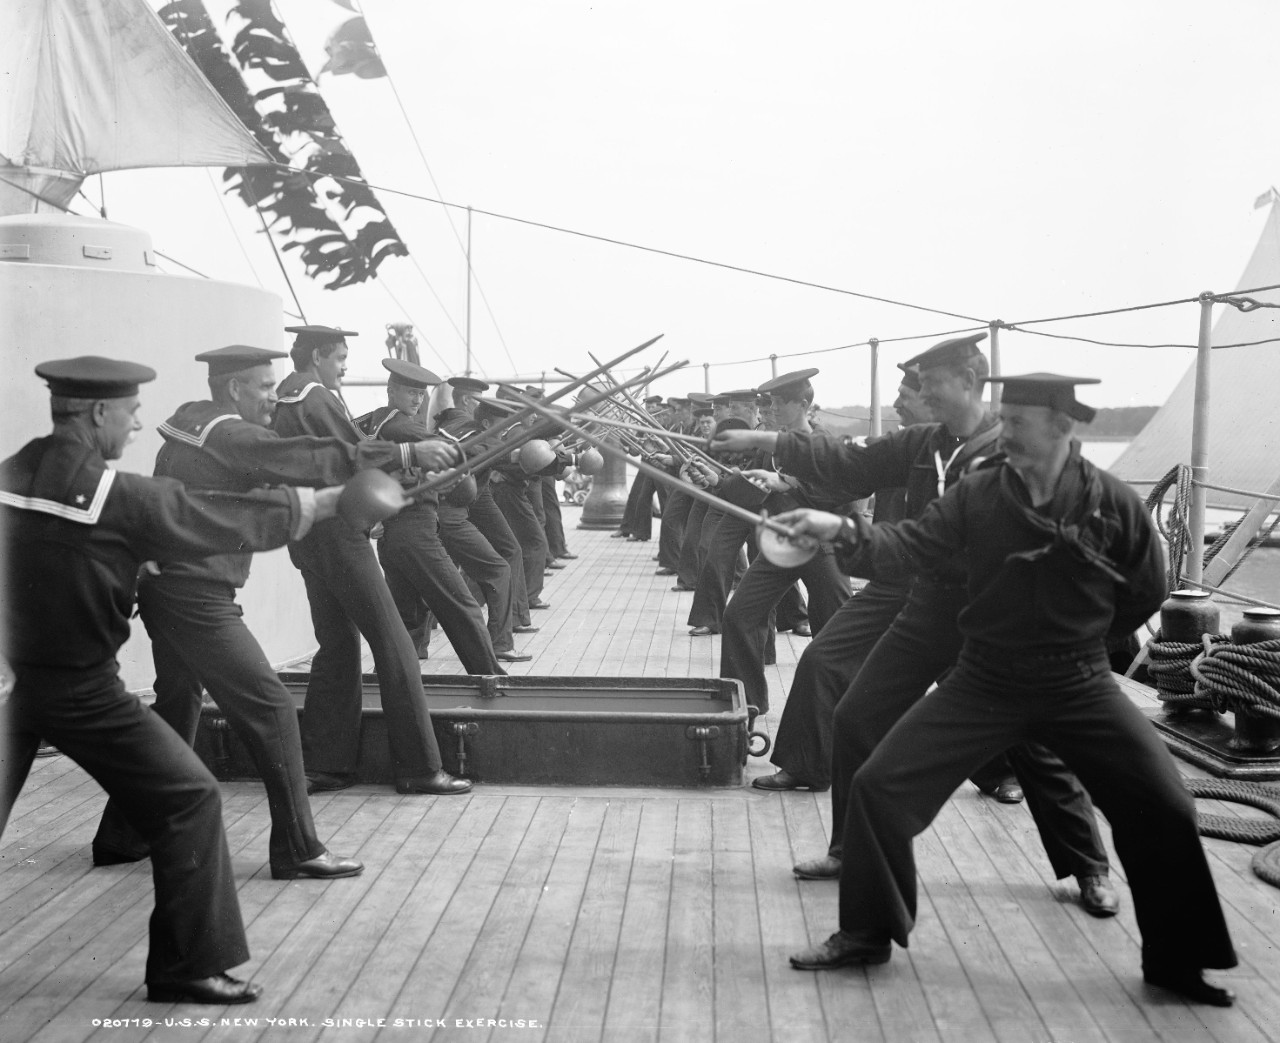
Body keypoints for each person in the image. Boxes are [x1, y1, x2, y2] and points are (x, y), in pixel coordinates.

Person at [780, 373, 1238, 1007]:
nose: (1007, 433)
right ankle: (866, 932)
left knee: (1166, 806)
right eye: (1005, 419)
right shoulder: (980, 495)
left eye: (1017, 422)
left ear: (1062, 427)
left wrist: (1079, 639)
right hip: (985, 680)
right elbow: (910, 543)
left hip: (1077, 683)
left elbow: (1146, 593)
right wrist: (840, 531)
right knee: (880, 788)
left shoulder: (1112, 503)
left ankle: (1178, 962)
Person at [713, 335, 1116, 917]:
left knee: (1032, 736)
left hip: (988, 612)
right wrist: (762, 438)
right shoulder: (925, 442)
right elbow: (849, 464)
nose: (920, 394)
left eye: (929, 384)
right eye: (919, 384)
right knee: (851, 705)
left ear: (968, 383)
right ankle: (847, 848)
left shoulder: (1009, 449)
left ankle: (1090, 868)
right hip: (921, 596)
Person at [1, 356, 348, 1004]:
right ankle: (185, 966)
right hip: (87, 691)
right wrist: (315, 503)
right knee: (191, 798)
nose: (136, 426)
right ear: (100, 413)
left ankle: (126, 843)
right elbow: (212, 517)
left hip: (22, 690)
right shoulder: (118, 497)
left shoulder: (10, 478)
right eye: (130, 413)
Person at [94, 343, 464, 877]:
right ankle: (297, 848)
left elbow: (284, 471)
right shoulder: (230, 433)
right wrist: (405, 455)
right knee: (270, 711)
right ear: (234, 389)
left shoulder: (191, 423)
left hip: (164, 587)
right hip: (196, 594)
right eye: (264, 388)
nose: (274, 396)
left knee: (177, 707)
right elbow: (303, 457)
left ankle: (121, 837)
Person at [270, 325, 471, 795]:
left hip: (310, 536)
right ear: (318, 355)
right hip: (340, 535)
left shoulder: (286, 395)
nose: (344, 366)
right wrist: (410, 451)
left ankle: (325, 763)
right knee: (394, 642)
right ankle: (419, 768)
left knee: (337, 644)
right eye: (339, 357)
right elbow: (350, 455)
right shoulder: (316, 397)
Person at [359, 359, 514, 670]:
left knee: (409, 615)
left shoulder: (371, 421)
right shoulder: (400, 423)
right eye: (410, 393)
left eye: (421, 394)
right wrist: (497, 452)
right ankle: (489, 675)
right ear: (391, 392)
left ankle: (395, 681)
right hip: (416, 531)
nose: (417, 400)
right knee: (461, 604)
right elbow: (442, 446)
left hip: (393, 536)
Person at [718, 369, 850, 715]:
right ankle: (745, 707)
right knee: (738, 615)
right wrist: (714, 482)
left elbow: (843, 491)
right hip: (782, 547)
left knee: (836, 633)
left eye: (780, 403)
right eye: (770, 402)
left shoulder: (824, 442)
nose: (772, 409)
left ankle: (842, 713)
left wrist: (789, 483)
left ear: (803, 404)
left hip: (823, 547)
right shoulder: (773, 446)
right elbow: (749, 488)